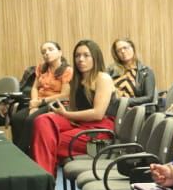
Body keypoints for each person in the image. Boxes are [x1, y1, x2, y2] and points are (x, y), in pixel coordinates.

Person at [30, 39, 114, 172]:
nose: (81, 59)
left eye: (86, 55)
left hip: (98, 130)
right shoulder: (76, 79)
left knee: (45, 143)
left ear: (95, 57)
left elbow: (98, 114)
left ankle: (45, 185)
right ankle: (45, 183)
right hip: (79, 123)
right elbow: (76, 108)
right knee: (42, 120)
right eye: (77, 56)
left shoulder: (102, 78)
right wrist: (59, 114)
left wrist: (66, 114)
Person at [11, 40, 74, 154]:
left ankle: (19, 153)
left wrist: (40, 103)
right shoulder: (41, 68)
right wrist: (34, 102)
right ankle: (26, 153)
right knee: (17, 118)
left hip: (54, 103)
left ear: (60, 52)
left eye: (50, 50)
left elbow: (65, 95)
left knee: (31, 120)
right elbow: (35, 87)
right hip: (38, 102)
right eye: (44, 51)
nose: (47, 53)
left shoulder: (67, 70)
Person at [107, 38, 155, 102]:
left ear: (133, 48)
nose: (123, 51)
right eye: (119, 50)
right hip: (111, 106)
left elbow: (149, 97)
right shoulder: (110, 70)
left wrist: (124, 102)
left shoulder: (146, 71)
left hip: (133, 109)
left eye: (125, 48)